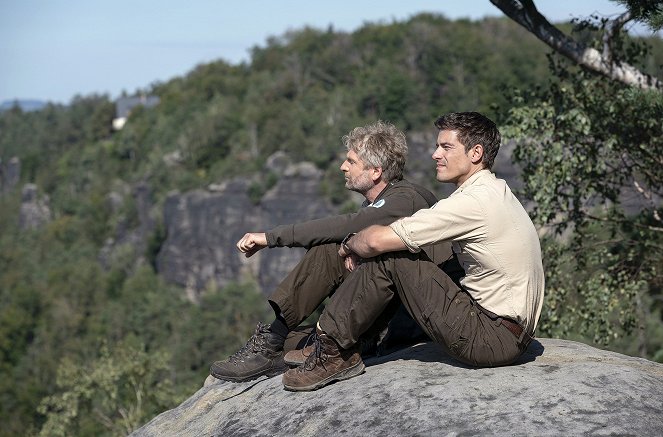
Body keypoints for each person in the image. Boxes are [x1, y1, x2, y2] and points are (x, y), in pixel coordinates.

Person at [281, 111, 545, 392]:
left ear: (476, 153)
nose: (435, 154)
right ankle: (350, 341)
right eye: (437, 146)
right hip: (507, 333)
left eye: (446, 147)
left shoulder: (472, 203)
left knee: (393, 255)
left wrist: (349, 245)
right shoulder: (496, 191)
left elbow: (378, 241)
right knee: (416, 252)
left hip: (492, 337)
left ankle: (333, 351)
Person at [210, 120, 458, 382]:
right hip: (391, 310)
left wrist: (270, 237)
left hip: (410, 318)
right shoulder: (388, 201)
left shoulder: (406, 199)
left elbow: (346, 225)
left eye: (351, 161)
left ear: (375, 171)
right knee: (300, 340)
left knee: (329, 248)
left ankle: (272, 343)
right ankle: (275, 341)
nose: (343, 167)